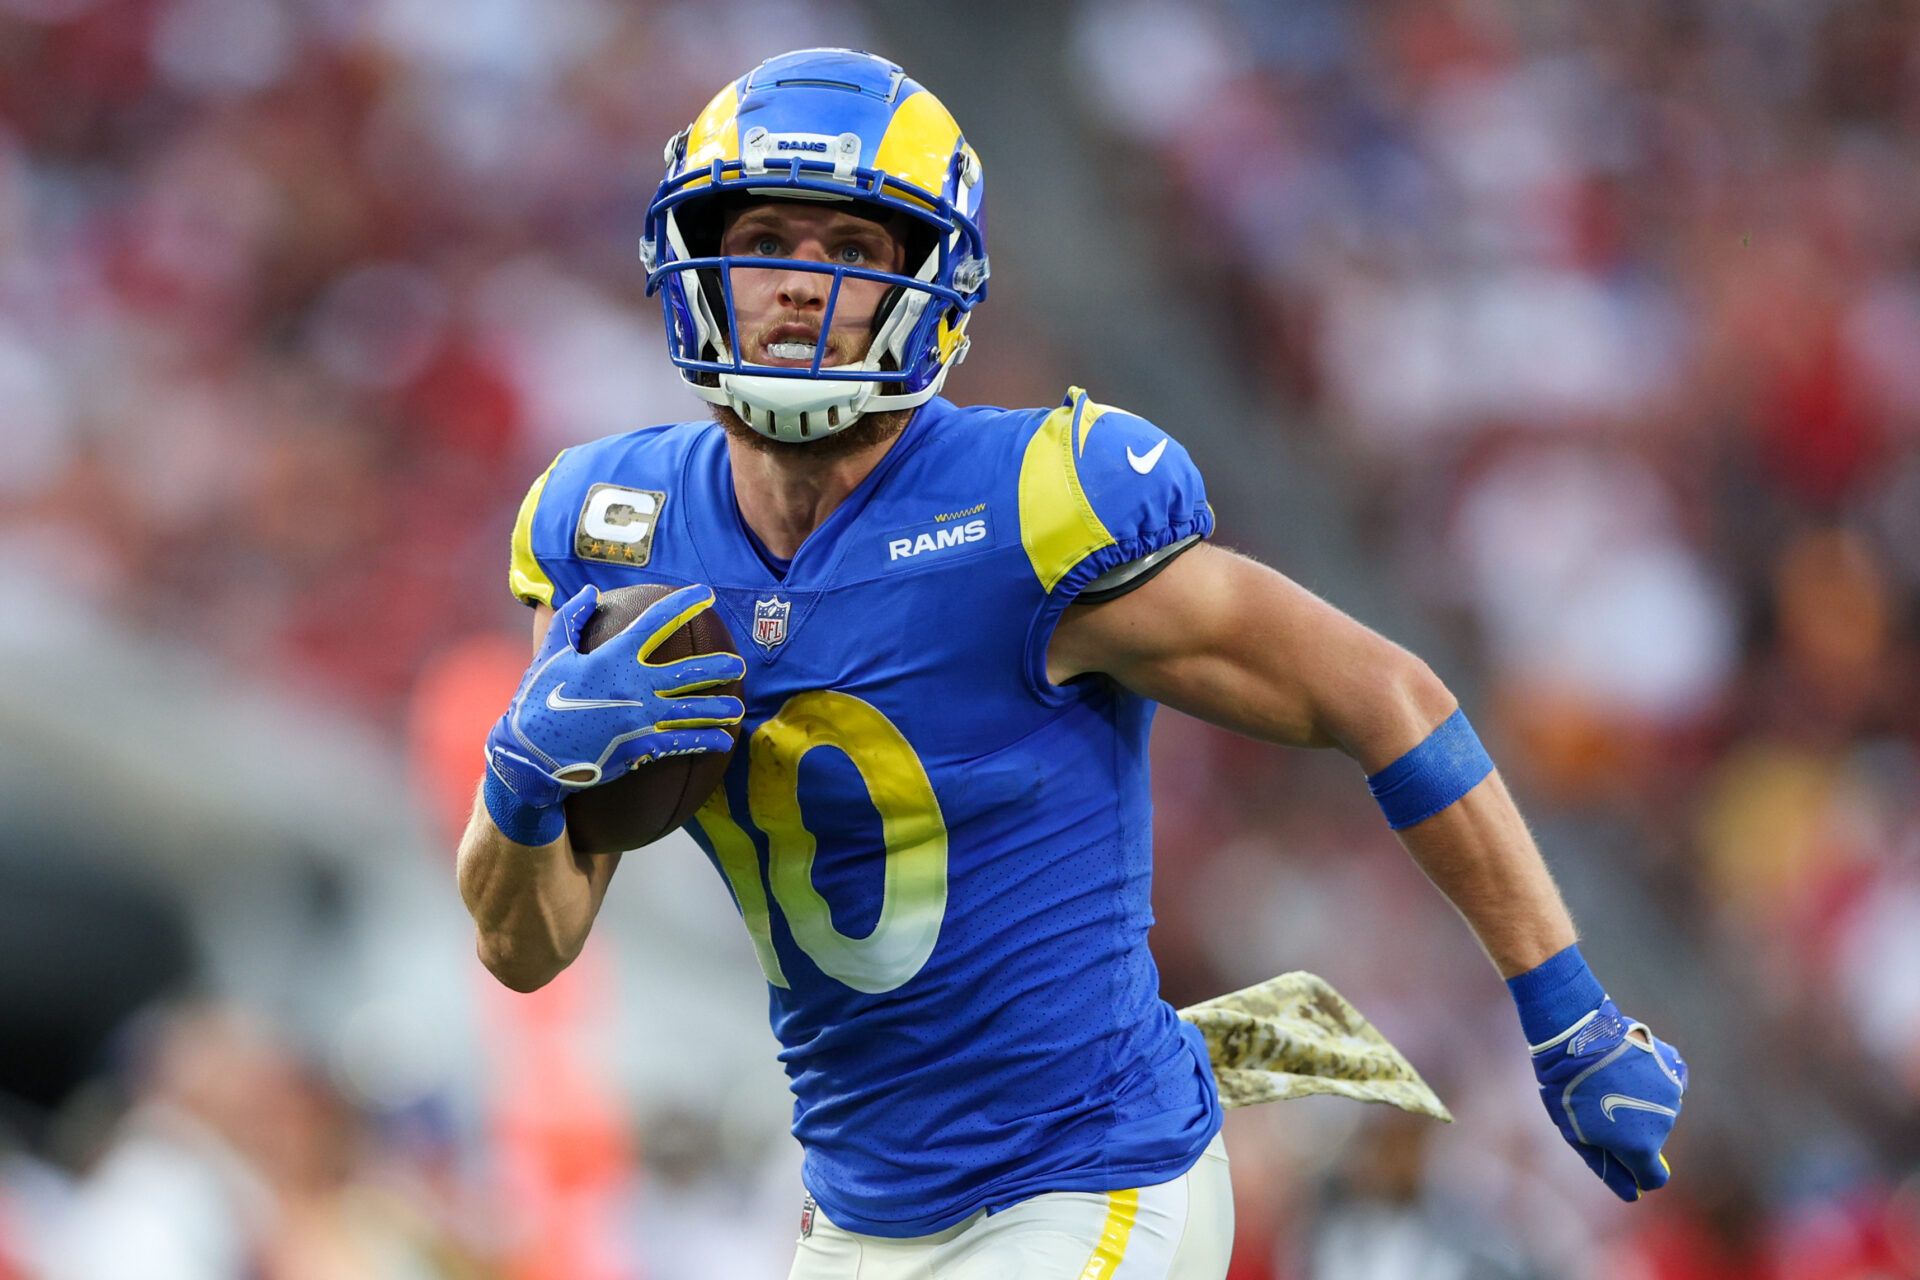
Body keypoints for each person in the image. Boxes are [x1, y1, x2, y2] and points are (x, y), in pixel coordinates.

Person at [455, 47, 1687, 1279]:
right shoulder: (609, 527)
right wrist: (519, 780)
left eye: (850, 252)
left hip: (1091, 1175)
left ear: (927, 284)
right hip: (859, 1213)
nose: (799, 285)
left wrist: (1568, 1012)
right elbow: (527, 945)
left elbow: (1385, 694)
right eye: (770, 238)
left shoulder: (1034, 506)